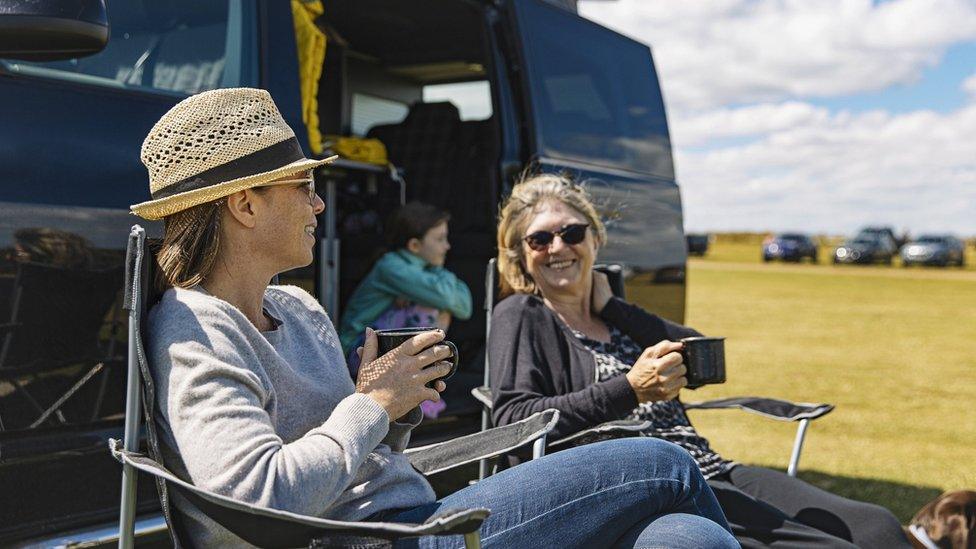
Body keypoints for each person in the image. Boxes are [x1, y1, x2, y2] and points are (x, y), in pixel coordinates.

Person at [129, 88, 737, 548]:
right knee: (662, 462)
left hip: (412, 519)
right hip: (383, 540)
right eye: (302, 187)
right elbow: (259, 499)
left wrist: (392, 412)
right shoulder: (196, 331)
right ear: (244, 204)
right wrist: (371, 405)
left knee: (685, 536)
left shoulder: (298, 309)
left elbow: (362, 460)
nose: (319, 203)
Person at [489, 172, 911, 549]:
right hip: (643, 484)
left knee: (877, 526)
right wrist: (630, 389)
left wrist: (615, 308)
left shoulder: (617, 318)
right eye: (540, 239)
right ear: (521, 256)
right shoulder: (523, 315)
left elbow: (707, 361)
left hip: (708, 464)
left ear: (595, 240)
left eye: (572, 232)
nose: (558, 247)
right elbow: (512, 420)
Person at [339, 202, 471, 380]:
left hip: (375, 353)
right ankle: (419, 380)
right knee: (429, 307)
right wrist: (439, 273)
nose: (447, 246)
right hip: (357, 353)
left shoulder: (424, 269)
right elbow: (453, 301)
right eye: (440, 239)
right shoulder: (392, 267)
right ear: (415, 245)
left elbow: (465, 307)